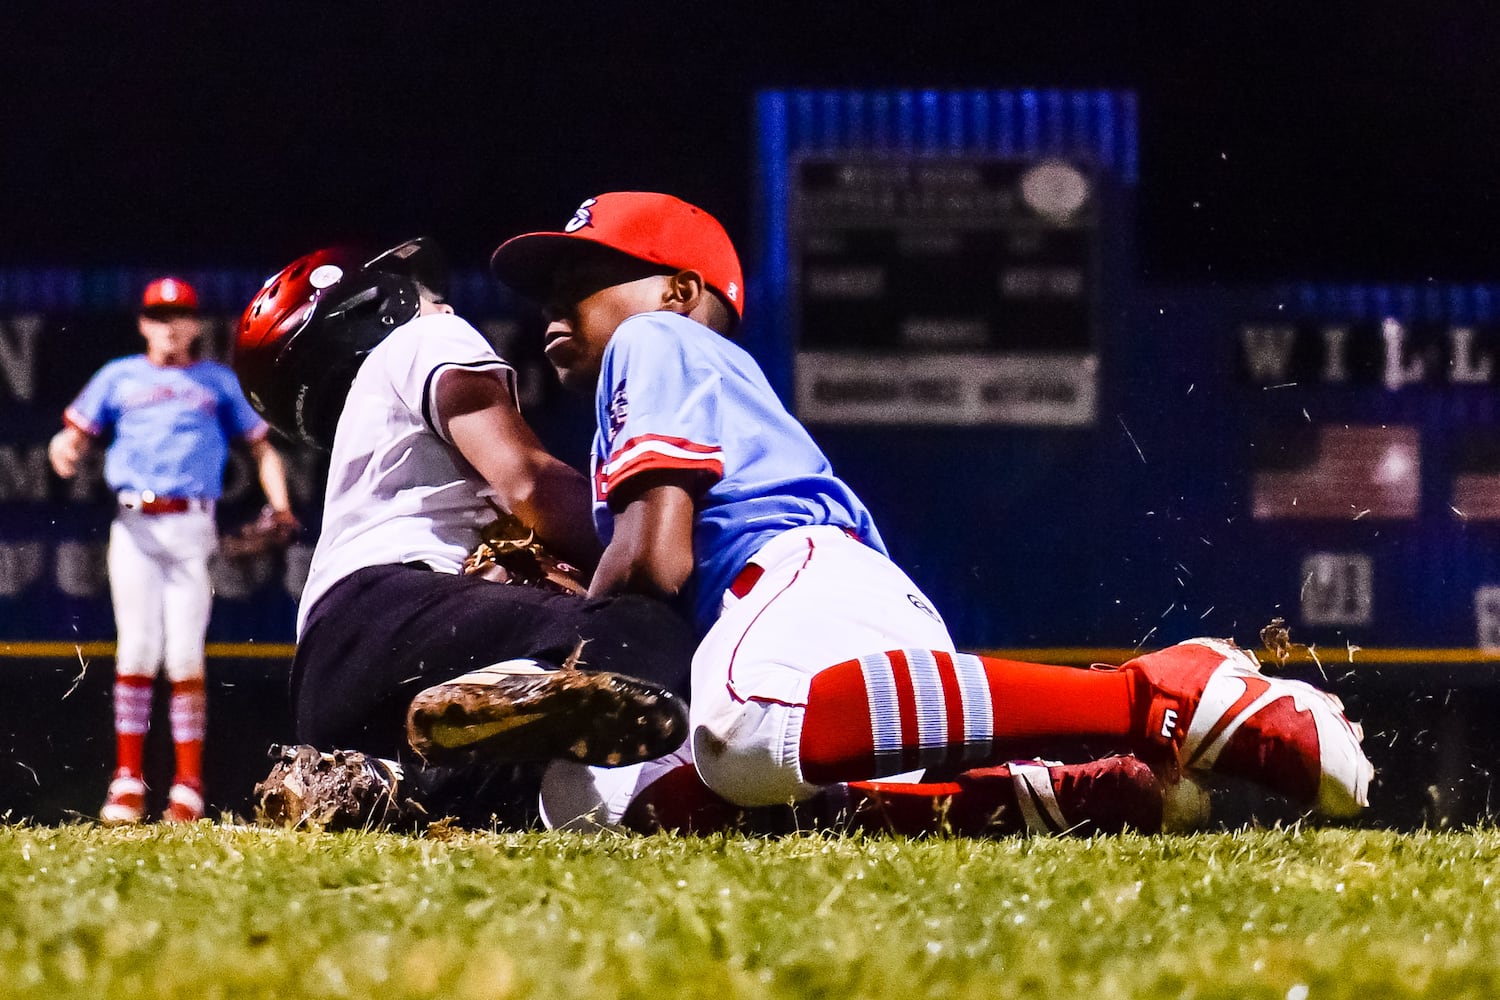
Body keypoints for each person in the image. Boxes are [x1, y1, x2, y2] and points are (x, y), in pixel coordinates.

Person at [488, 191, 1375, 835]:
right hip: (843, 679)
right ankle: (1036, 795)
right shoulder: (661, 362)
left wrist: (560, 628)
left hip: (795, 594)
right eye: (549, 285)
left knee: (741, 732)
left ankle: (1155, 694)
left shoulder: (656, 340)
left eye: (585, 274)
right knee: (587, 803)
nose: (554, 302)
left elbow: (655, 563)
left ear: (680, 293)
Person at [231, 239, 699, 829]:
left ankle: (379, 786)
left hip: (334, 678)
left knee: (537, 783)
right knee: (645, 626)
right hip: (392, 611)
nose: (446, 309)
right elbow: (525, 479)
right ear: (377, 307)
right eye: (429, 297)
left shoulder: (370, 429)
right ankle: (524, 682)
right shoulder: (424, 340)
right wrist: (665, 549)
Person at [49, 276, 298, 825]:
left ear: (195, 323)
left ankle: (187, 784)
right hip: (135, 523)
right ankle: (128, 780)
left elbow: (263, 450)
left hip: (191, 523)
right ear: (143, 323)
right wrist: (64, 445)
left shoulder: (216, 380)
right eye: (158, 316)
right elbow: (70, 433)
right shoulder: (119, 375)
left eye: (180, 315)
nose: (169, 325)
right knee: (137, 650)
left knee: (185, 655)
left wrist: (279, 507)